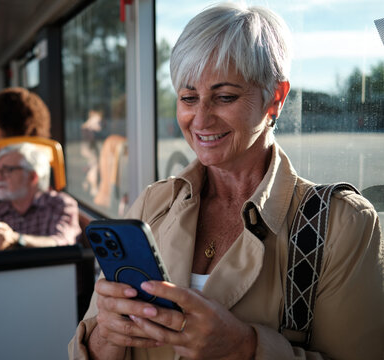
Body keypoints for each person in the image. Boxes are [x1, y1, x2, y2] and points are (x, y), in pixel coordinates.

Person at [69, 3, 383, 360]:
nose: (200, 119)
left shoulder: (342, 224)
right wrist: (106, 337)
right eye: (188, 98)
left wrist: (246, 348)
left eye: (225, 97)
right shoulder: (152, 205)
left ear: (275, 98)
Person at [0, 142, 80, 250]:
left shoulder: (60, 204)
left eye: (7, 170)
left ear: (33, 176)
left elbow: (63, 243)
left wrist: (17, 239)